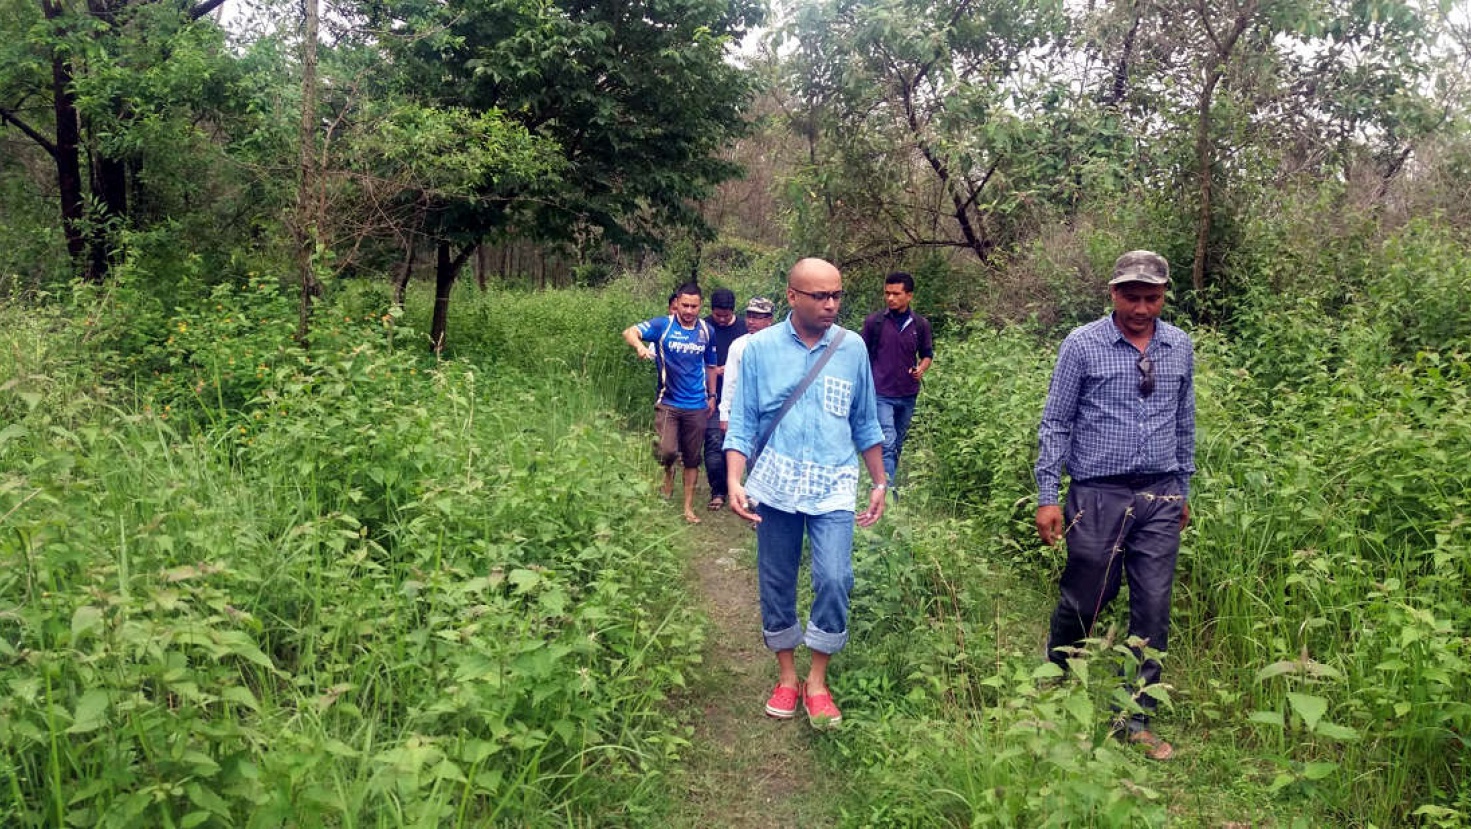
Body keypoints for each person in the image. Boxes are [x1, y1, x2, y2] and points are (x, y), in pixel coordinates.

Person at [1033, 250, 1195, 761]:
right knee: (1087, 595)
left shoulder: (1179, 346)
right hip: (1098, 493)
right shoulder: (1082, 345)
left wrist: (1183, 490)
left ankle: (1135, 713)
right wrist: (1047, 495)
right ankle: (1058, 672)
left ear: (1165, 295)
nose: (1142, 308)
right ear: (1113, 293)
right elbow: (1056, 422)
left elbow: (1184, 422)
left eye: (1152, 297)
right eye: (1132, 296)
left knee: (1153, 605)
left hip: (1160, 492)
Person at [725, 258, 887, 730]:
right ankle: (787, 676)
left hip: (833, 484)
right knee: (776, 579)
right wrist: (735, 480)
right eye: (820, 296)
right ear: (792, 296)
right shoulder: (760, 349)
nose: (831, 304)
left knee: (835, 578)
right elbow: (743, 422)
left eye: (837, 294)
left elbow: (865, 421)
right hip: (775, 484)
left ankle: (818, 680)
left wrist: (879, 482)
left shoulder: (852, 348)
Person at [623, 283, 717, 524]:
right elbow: (629, 332)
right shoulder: (662, 326)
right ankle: (668, 472)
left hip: (696, 404)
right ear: (677, 303)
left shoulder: (707, 331)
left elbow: (710, 366)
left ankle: (687, 507)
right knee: (666, 450)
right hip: (668, 401)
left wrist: (712, 396)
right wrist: (640, 347)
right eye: (684, 305)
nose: (688, 310)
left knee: (693, 457)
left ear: (700, 306)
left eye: (693, 306)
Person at [860, 272, 934, 492]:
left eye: (896, 294)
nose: (890, 298)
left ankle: (885, 482)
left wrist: (921, 368)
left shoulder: (920, 324)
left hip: (908, 393)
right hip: (881, 391)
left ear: (909, 295)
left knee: (897, 444)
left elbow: (927, 353)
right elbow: (861, 354)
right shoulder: (875, 322)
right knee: (887, 442)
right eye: (887, 293)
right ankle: (887, 492)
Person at [702, 288, 748, 511]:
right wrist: (712, 371)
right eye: (717, 315)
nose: (721, 320)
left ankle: (740, 489)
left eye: (726, 315)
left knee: (740, 446)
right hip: (709, 397)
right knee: (713, 443)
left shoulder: (744, 329)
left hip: (740, 397)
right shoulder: (702, 327)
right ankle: (717, 491)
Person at [716, 296, 776, 430]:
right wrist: (724, 414)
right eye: (748, 316)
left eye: (756, 317)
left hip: (772, 412)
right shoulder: (738, 345)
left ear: (769, 320)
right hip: (744, 411)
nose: (750, 321)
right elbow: (730, 381)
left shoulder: (780, 344)